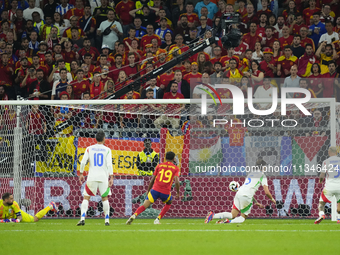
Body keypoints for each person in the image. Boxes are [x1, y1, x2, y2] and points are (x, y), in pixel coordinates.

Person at [205, 164, 276, 224]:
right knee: (243, 218)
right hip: (247, 196)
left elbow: (247, 189)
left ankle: (213, 215)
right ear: (263, 167)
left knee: (232, 214)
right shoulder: (262, 176)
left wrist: (256, 202)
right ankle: (227, 222)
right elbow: (266, 192)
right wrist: (273, 200)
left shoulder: (251, 174)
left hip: (239, 193)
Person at [126, 151, 180, 225]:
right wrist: (178, 192)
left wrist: (148, 190)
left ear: (165, 158)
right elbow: (177, 181)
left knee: (144, 205)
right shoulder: (175, 168)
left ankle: (134, 215)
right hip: (165, 192)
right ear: (174, 159)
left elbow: (152, 179)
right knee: (169, 203)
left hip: (155, 190)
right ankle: (157, 219)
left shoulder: (159, 166)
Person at [78, 130, 114, 226]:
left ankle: (82, 219)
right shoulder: (107, 150)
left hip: (92, 177)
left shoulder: (89, 148)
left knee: (86, 197)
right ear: (104, 139)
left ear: (95, 139)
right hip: (103, 177)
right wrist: (111, 177)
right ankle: (107, 220)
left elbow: (82, 162)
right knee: (105, 198)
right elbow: (109, 164)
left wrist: (81, 173)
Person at [314, 146, 340, 224]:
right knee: (339, 203)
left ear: (329, 152)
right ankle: (339, 218)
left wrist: (320, 181)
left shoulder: (326, 161)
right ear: (336, 152)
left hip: (329, 187)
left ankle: (321, 214)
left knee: (321, 203)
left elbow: (322, 174)